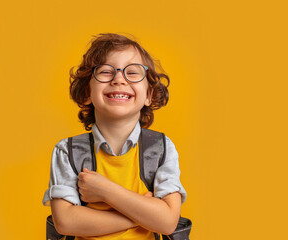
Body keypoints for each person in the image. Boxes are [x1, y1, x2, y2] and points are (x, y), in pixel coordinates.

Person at [42, 33, 187, 240]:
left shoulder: (161, 148)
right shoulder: (67, 151)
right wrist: (141, 216)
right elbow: (66, 222)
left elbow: (167, 222)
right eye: (106, 72)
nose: (119, 79)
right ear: (86, 93)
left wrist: (105, 190)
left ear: (149, 95)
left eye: (133, 72)